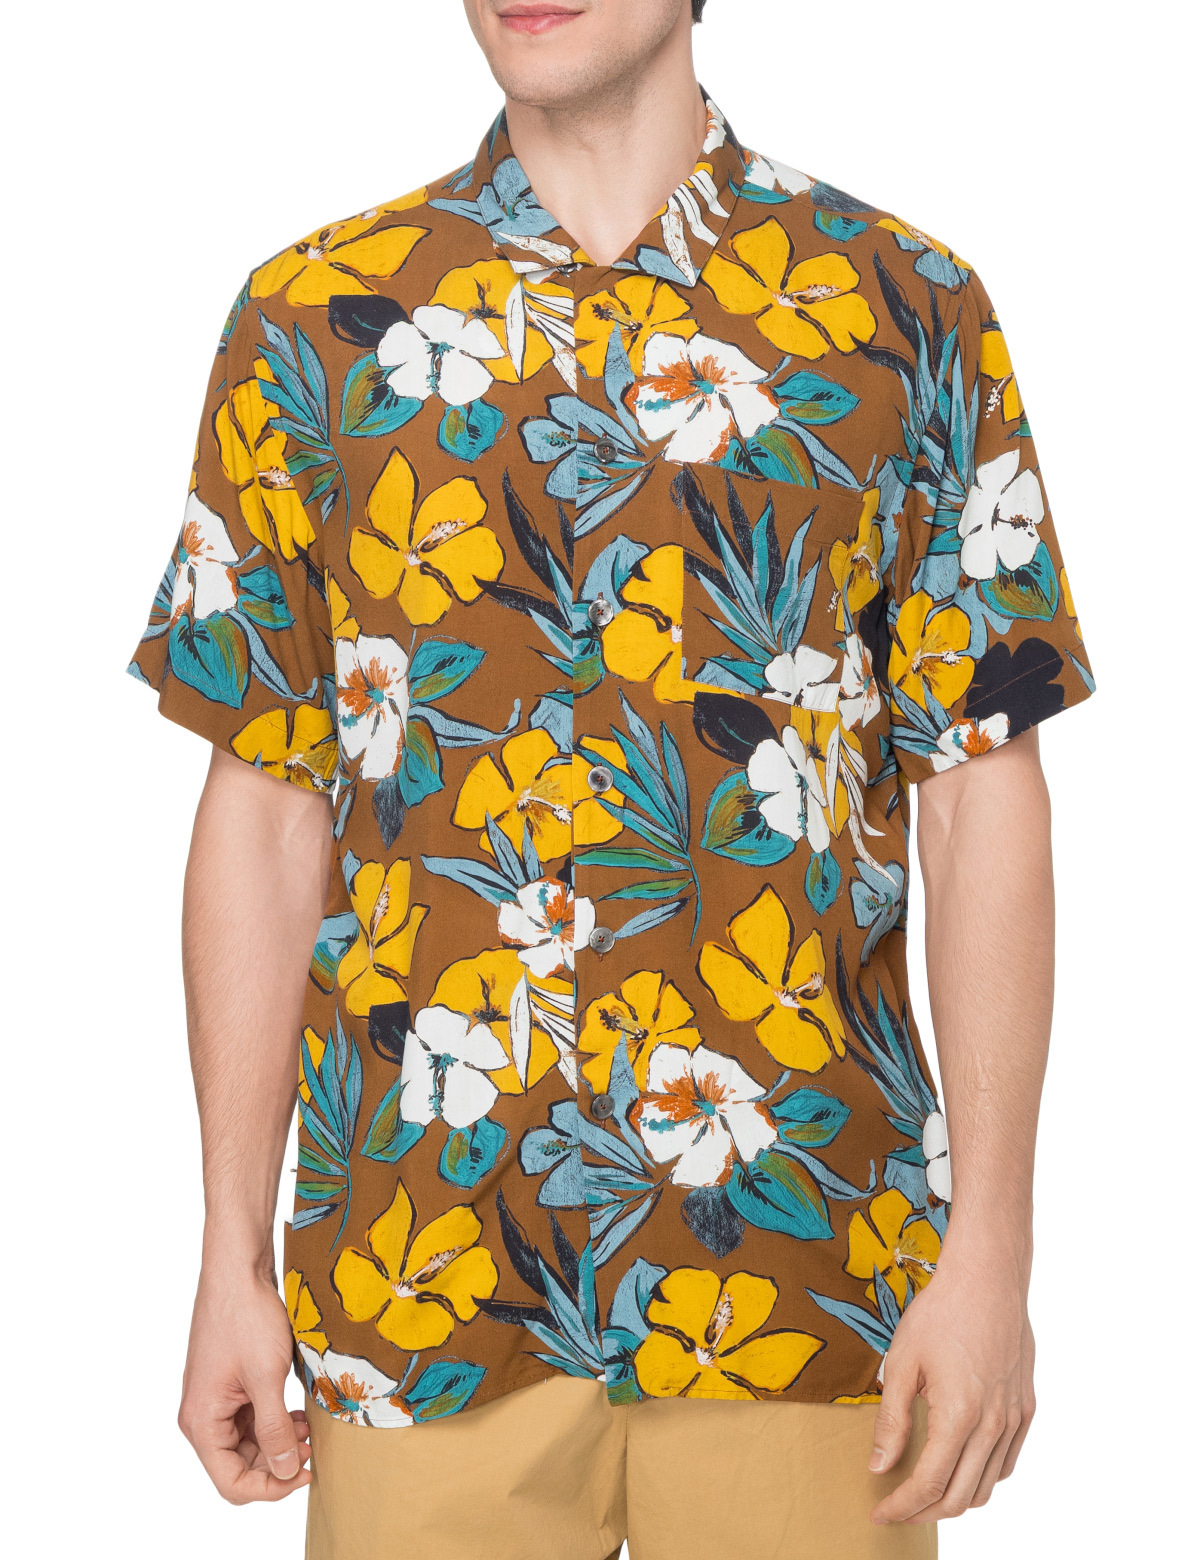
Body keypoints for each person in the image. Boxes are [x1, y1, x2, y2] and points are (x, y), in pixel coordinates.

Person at [127, 1, 1094, 1555]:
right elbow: (264, 808)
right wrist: (228, 1255)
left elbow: (982, 794)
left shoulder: (903, 307)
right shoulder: (316, 322)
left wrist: (993, 1253)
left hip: (810, 1281)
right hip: (420, 1281)